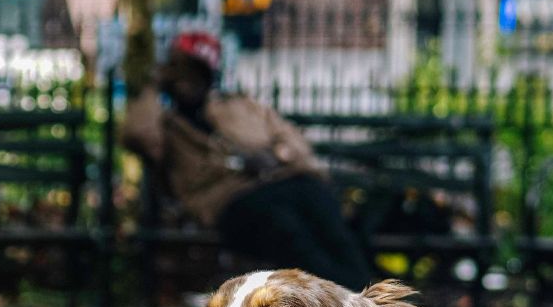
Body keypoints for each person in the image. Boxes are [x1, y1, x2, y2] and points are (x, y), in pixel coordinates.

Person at [124, 31, 371, 291]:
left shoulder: (240, 107)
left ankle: (361, 300)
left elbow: (293, 141)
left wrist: (276, 156)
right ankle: (342, 300)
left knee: (326, 213)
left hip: (282, 180)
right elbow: (135, 135)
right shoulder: (165, 125)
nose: (187, 79)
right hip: (230, 200)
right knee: (287, 229)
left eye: (195, 71)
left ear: (208, 75)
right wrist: (152, 87)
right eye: (180, 69)